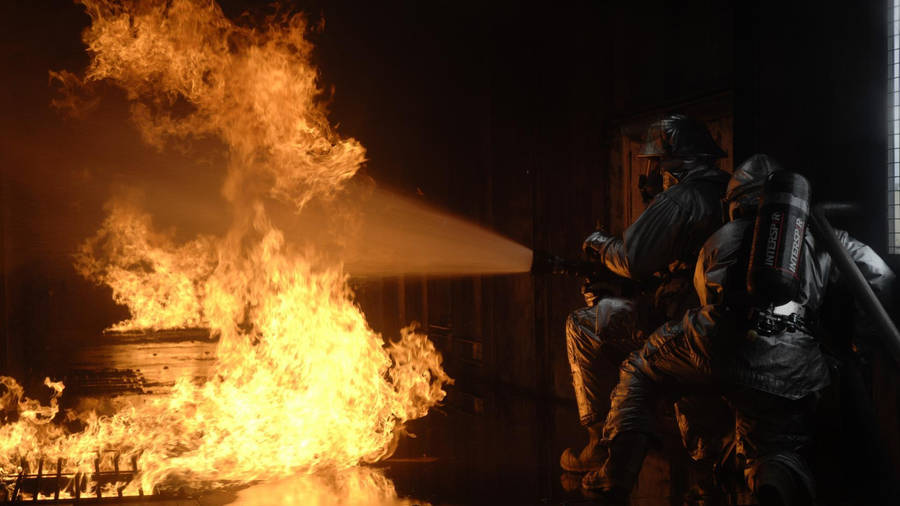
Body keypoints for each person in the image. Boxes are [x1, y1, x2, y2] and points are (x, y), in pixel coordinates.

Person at [581, 154, 895, 506]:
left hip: (721, 341)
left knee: (640, 369)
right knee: (775, 444)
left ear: (735, 202)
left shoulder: (720, 238)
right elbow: (882, 279)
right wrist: (861, 343)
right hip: (793, 360)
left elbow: (703, 298)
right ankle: (770, 483)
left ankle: (616, 477)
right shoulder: (823, 236)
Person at [562, 114, 731, 473]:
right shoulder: (727, 191)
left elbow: (630, 257)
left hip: (680, 324)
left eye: (655, 162)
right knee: (707, 443)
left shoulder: (682, 198)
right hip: (719, 324)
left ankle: (599, 446)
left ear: (674, 161)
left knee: (582, 325)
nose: (652, 172)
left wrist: (597, 243)